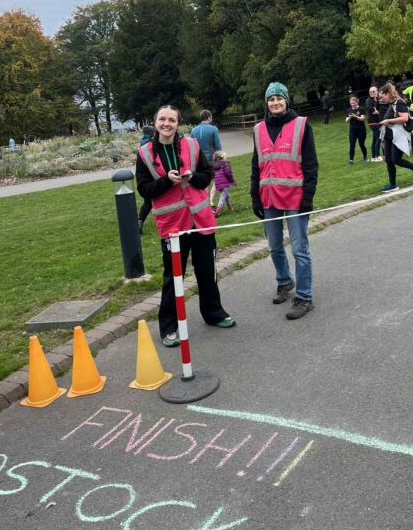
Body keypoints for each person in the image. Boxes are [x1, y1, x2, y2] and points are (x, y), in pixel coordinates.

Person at [136, 105, 235, 346]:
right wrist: (166, 181)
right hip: (172, 225)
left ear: (178, 124)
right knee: (173, 277)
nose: (166, 124)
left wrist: (192, 177)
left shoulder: (192, 145)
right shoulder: (144, 153)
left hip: (200, 220)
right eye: (162, 119)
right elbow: (144, 189)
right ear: (155, 122)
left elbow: (207, 175)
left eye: (171, 120)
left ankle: (213, 313)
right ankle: (169, 327)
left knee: (207, 270)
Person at [251, 82, 318, 320]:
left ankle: (304, 297)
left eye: (279, 98)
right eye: (271, 99)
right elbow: (256, 166)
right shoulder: (258, 129)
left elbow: (311, 164)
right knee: (274, 246)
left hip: (295, 198)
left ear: (286, 101)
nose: (275, 102)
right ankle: (284, 281)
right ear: (267, 103)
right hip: (268, 197)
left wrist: (308, 197)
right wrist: (255, 196)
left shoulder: (301, 125)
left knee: (299, 249)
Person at [378, 83, 413, 192]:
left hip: (399, 136)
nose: (381, 99)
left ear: (388, 94)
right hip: (389, 136)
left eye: (382, 96)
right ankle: (393, 184)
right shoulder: (392, 103)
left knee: (396, 159)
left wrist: (388, 121)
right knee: (389, 160)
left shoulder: (399, 103)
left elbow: (405, 118)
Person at [190, 109, 222, 207]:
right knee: (218, 179)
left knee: (205, 182)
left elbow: (192, 146)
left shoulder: (193, 130)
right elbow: (218, 147)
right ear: (208, 117)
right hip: (212, 159)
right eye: (211, 117)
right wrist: (221, 159)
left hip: (199, 161)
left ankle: (206, 202)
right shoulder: (213, 129)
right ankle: (210, 201)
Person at [137, 125, 156, 234]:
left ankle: (139, 221)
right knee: (149, 202)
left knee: (148, 202)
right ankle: (139, 221)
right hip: (151, 176)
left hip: (144, 177)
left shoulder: (142, 142)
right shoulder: (149, 144)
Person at [212, 150, 236, 217]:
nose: (226, 156)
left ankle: (230, 207)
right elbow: (228, 173)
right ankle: (218, 211)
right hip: (224, 183)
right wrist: (232, 180)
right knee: (223, 196)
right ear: (221, 156)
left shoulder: (214, 165)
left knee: (227, 195)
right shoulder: (225, 163)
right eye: (225, 155)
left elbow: (213, 174)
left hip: (218, 183)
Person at [345, 96, 368, 164]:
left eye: (353, 103)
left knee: (361, 144)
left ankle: (365, 157)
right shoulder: (349, 110)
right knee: (352, 144)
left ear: (357, 102)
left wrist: (355, 116)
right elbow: (346, 121)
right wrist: (350, 117)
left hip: (361, 129)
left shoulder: (361, 109)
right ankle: (351, 160)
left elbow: (362, 118)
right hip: (352, 130)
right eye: (351, 103)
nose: (352, 104)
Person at [364, 85, 384, 161]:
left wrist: (377, 110)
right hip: (372, 122)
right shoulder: (368, 101)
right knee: (379, 137)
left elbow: (378, 110)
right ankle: (378, 156)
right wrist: (380, 111)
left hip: (378, 121)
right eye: (370, 92)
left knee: (375, 139)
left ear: (377, 91)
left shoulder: (378, 100)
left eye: (373, 91)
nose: (372, 93)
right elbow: (374, 112)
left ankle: (373, 157)